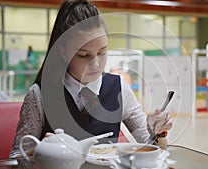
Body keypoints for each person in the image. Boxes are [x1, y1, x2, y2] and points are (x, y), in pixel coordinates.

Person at [10, 0, 172, 158]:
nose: (95, 64)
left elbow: (153, 148)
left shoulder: (119, 88)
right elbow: (16, 157)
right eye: (84, 55)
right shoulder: (40, 95)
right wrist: (41, 153)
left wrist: (158, 132)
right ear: (63, 52)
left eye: (102, 52)